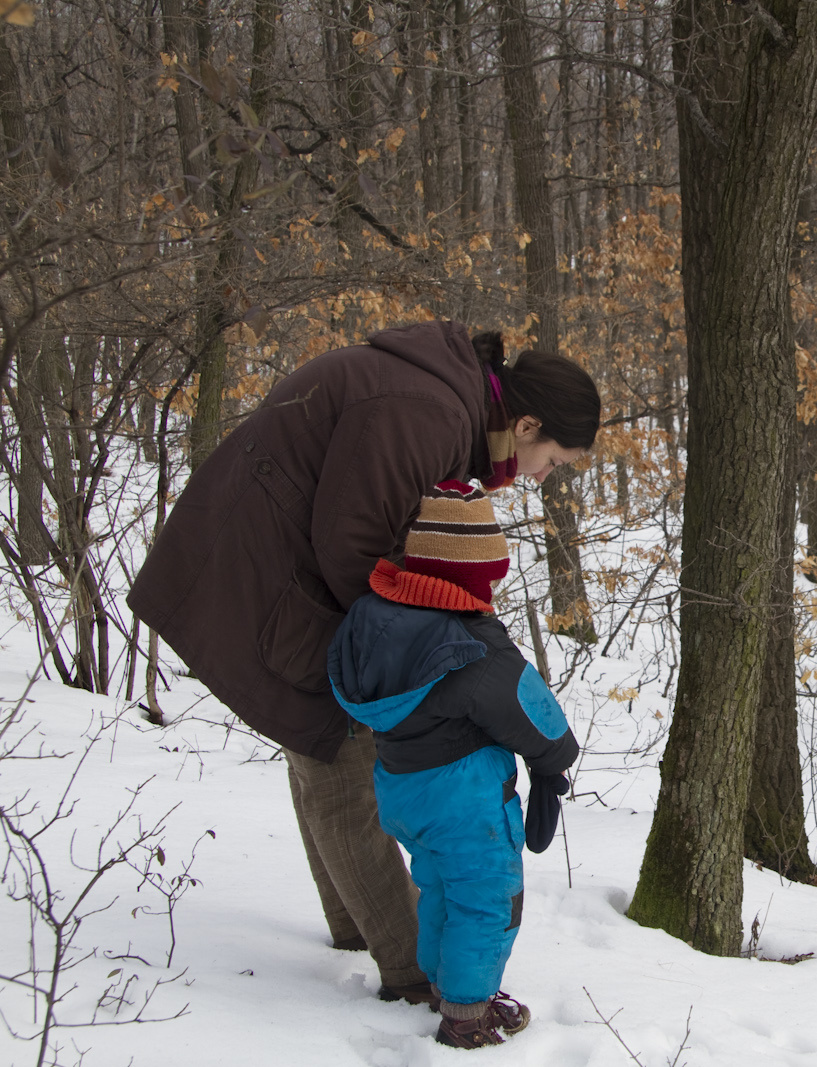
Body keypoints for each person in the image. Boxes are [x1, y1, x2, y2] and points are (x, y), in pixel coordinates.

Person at [127, 322, 599, 1005]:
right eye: (555, 459)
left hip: (269, 562)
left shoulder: (448, 403)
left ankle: (355, 924)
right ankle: (411, 970)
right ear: (525, 424)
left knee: (321, 740)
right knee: (342, 752)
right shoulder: (431, 411)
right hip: (264, 569)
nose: (544, 474)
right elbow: (351, 543)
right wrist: (413, 655)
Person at [328, 481, 578, 1048]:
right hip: (463, 800)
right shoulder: (472, 647)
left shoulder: (372, 617)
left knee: (441, 886)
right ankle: (467, 1014)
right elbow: (529, 709)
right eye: (490, 575)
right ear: (471, 575)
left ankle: (443, 986)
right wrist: (556, 759)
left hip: (400, 787)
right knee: (487, 897)